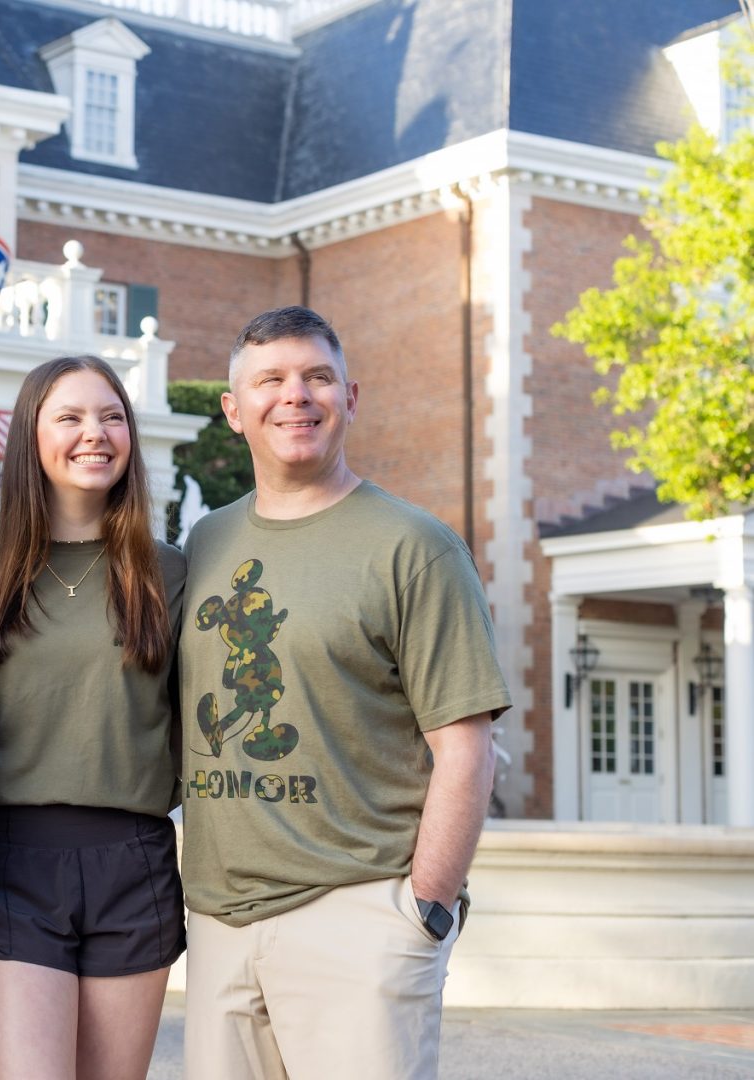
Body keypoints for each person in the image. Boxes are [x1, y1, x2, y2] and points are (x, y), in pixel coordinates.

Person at [179, 306, 510, 1079]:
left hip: (358, 917)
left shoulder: (414, 548)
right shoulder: (205, 543)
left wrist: (422, 913)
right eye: (271, 380)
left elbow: (466, 747)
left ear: (350, 397)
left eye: (316, 377)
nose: (295, 396)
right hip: (220, 925)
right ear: (234, 411)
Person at [0, 356, 186, 1080]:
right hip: (11, 859)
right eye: (71, 417)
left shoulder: (170, 572)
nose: (96, 433)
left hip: (134, 860)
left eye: (112, 416)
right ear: (32, 437)